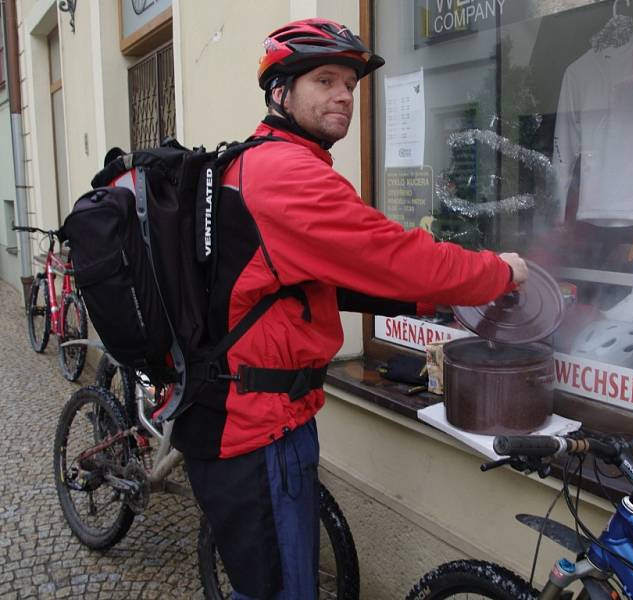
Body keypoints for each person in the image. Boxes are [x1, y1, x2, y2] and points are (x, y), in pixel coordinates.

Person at [172, 18, 528, 600]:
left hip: (244, 413)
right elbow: (396, 255)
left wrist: (424, 299)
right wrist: (498, 273)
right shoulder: (288, 178)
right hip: (258, 427)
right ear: (280, 92)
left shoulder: (260, 161)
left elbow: (319, 283)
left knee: (267, 583)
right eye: (326, 80)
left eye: (351, 85)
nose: (343, 96)